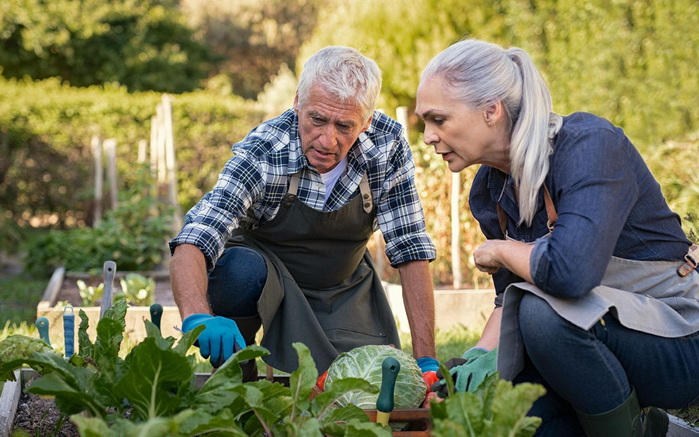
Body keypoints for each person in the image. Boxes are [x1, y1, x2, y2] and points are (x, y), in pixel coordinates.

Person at [415, 39, 699, 436]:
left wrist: (502, 248)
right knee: (516, 417)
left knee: (542, 316)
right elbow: (509, 296)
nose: (428, 136)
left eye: (438, 120)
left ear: (491, 110)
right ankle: (660, 431)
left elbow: (571, 272)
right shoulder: (488, 191)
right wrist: (478, 358)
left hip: (679, 334)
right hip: (592, 335)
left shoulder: (589, 146)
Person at [169, 46, 439, 382]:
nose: (328, 140)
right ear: (298, 101)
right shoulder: (266, 150)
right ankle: (236, 377)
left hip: (343, 286)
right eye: (317, 119)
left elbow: (410, 247)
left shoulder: (387, 145)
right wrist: (198, 316)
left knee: (356, 388)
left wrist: (427, 360)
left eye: (344, 125)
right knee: (237, 271)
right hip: (267, 279)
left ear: (367, 121)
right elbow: (197, 235)